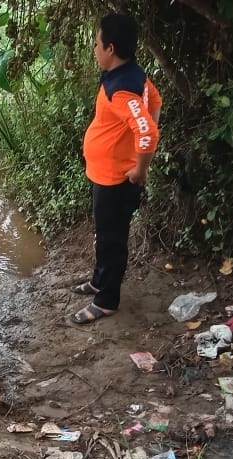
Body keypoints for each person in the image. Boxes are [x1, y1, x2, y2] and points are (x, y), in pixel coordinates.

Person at [68, 13, 162, 324]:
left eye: (96, 44)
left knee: (112, 240)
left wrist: (139, 169)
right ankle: (99, 280)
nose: (94, 49)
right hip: (105, 175)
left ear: (110, 48)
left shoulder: (122, 88)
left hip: (116, 180)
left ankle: (106, 301)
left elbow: (147, 132)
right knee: (105, 235)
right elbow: (156, 101)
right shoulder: (131, 75)